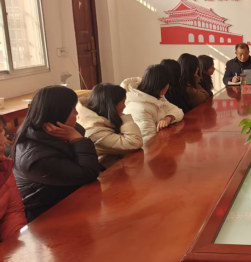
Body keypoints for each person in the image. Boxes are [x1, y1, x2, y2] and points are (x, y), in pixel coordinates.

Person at [12, 86, 103, 222]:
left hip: (69, 198)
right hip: (46, 215)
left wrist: (75, 136)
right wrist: (77, 139)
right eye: (73, 109)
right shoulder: (35, 157)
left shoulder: (59, 132)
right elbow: (88, 173)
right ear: (59, 113)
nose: (76, 113)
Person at [76, 84, 144, 169]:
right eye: (123, 102)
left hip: (119, 164)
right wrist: (124, 118)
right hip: (107, 172)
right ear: (112, 105)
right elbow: (134, 142)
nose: (125, 106)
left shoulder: (102, 118)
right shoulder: (93, 129)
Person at [121, 65, 184, 144]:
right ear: (161, 86)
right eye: (167, 83)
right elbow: (149, 142)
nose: (168, 86)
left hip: (160, 144)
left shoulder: (157, 97)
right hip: (149, 148)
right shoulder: (139, 108)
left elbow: (179, 111)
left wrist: (169, 118)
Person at [0, 119, 26, 241]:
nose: (4, 141)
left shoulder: (4, 166)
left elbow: (12, 212)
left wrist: (14, 243)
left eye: (1, 131)